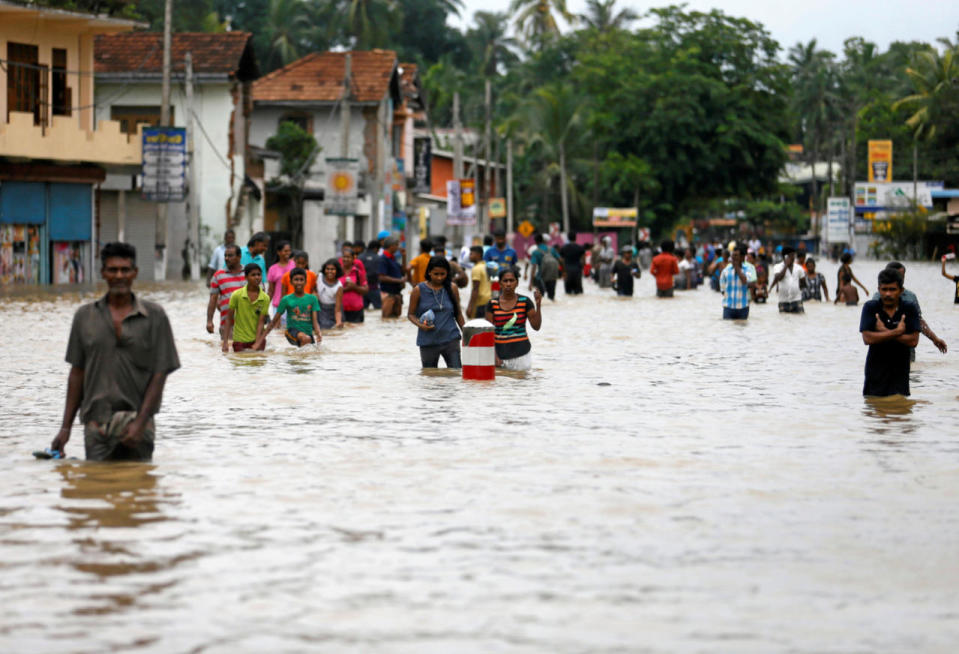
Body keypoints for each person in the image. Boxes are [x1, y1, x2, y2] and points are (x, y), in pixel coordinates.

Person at [51, 242, 180, 461]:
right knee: (97, 487)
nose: (119, 276)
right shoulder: (84, 317)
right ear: (103, 273)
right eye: (113, 270)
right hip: (96, 425)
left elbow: (161, 373)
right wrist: (65, 429)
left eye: (125, 270)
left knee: (138, 487)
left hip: (137, 422)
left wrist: (140, 422)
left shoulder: (155, 316)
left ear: (134, 273)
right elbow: (77, 373)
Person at [860, 267, 920, 397]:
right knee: (874, 412)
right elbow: (867, 339)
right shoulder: (871, 307)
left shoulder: (909, 308)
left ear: (901, 291)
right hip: (875, 374)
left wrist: (884, 332)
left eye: (892, 289)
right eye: (884, 289)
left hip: (900, 374)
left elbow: (914, 341)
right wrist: (896, 332)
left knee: (900, 410)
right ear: (879, 290)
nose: (888, 294)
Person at [871, 262, 947, 355]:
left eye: (903, 276)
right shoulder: (877, 298)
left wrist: (934, 339)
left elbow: (919, 321)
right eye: (898, 276)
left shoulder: (910, 297)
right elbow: (872, 327)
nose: (901, 279)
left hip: (907, 351)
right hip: (883, 351)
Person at [408, 256, 466, 368]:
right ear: (429, 272)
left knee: (456, 374)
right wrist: (421, 325)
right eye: (436, 274)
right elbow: (410, 314)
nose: (439, 278)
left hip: (451, 339)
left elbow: (458, 313)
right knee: (430, 376)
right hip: (428, 341)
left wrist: (466, 333)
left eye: (442, 274)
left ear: (447, 273)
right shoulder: (418, 290)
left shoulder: (452, 288)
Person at [486, 267, 543, 371]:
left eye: (511, 280)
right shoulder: (492, 304)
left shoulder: (525, 301)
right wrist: (494, 356)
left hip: (522, 355)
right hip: (500, 356)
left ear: (517, 283)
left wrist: (538, 305)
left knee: (521, 385)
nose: (508, 284)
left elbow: (536, 326)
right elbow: (488, 334)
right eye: (505, 281)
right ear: (500, 283)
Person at [258, 267, 322, 348]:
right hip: (291, 332)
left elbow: (315, 321)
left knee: (310, 351)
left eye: (301, 280)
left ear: (305, 282)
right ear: (291, 282)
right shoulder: (286, 299)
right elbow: (274, 321)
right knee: (304, 339)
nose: (299, 282)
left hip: (308, 334)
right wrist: (261, 339)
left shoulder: (312, 299)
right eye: (296, 279)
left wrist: (318, 333)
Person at [223, 263, 270, 352]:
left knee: (258, 363)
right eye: (253, 275)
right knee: (240, 364)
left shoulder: (265, 298)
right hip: (240, 340)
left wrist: (257, 342)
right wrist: (225, 342)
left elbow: (261, 322)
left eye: (259, 274)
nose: (257, 277)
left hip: (258, 340)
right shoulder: (237, 295)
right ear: (246, 277)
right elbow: (229, 319)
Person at [207, 244, 245, 337]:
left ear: (239, 257)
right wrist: (209, 321)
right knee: (228, 350)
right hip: (227, 326)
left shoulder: (249, 273)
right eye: (225, 256)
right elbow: (213, 299)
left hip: (248, 325)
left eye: (230, 255)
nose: (227, 258)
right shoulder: (218, 275)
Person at [719, 246, 756, 319]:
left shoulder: (748, 270)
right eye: (733, 255)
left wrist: (737, 268)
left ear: (742, 257)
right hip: (728, 307)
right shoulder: (726, 271)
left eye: (736, 256)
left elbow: (745, 281)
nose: (734, 258)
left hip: (743, 308)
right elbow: (723, 290)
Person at [378, 236, 407, 318]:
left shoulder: (392, 259)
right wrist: (399, 281)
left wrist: (404, 256)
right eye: (397, 245)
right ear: (391, 246)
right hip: (388, 295)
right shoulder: (383, 259)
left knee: (395, 319)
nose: (398, 248)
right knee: (386, 319)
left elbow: (403, 271)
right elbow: (381, 277)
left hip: (396, 294)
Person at [770, 246, 804, 313]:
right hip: (783, 302)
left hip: (797, 300)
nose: (794, 257)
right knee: (783, 321)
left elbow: (803, 283)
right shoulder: (778, 267)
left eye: (794, 255)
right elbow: (778, 278)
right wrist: (786, 266)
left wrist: (796, 290)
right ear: (785, 256)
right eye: (791, 255)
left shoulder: (799, 268)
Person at [528, 233, 561, 301]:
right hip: (553, 276)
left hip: (541, 277)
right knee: (551, 298)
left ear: (536, 241)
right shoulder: (551, 249)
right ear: (543, 240)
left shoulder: (535, 252)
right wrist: (564, 272)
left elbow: (533, 267)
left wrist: (530, 282)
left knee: (541, 299)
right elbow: (560, 260)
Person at [339, 250, 369, 324]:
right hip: (341, 310)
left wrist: (354, 287)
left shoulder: (358, 272)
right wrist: (347, 289)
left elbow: (366, 290)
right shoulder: (337, 272)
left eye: (348, 257)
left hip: (357, 310)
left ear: (353, 259)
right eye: (344, 257)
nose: (345, 259)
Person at [266, 240, 295, 314]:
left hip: (294, 304)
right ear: (278, 252)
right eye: (285, 251)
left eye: (289, 251)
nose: (288, 253)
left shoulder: (294, 265)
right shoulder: (272, 269)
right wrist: (265, 306)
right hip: (278, 306)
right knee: (277, 326)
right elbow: (271, 290)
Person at [317, 259, 344, 330]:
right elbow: (313, 288)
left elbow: (338, 309)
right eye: (327, 269)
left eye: (332, 269)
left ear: (337, 271)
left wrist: (338, 322)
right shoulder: (319, 277)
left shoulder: (339, 286)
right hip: (319, 308)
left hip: (331, 311)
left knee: (329, 330)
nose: (329, 271)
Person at [467, 245, 492, 319]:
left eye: (471, 254)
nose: (469, 256)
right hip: (488, 299)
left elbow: (475, 288)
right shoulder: (486, 266)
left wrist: (470, 306)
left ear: (478, 255)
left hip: (480, 302)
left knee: (478, 326)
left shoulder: (476, 269)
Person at [359, 239, 382, 310]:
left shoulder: (360, 257)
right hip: (374, 289)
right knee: (379, 310)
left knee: (362, 309)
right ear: (375, 248)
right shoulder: (378, 258)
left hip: (362, 289)